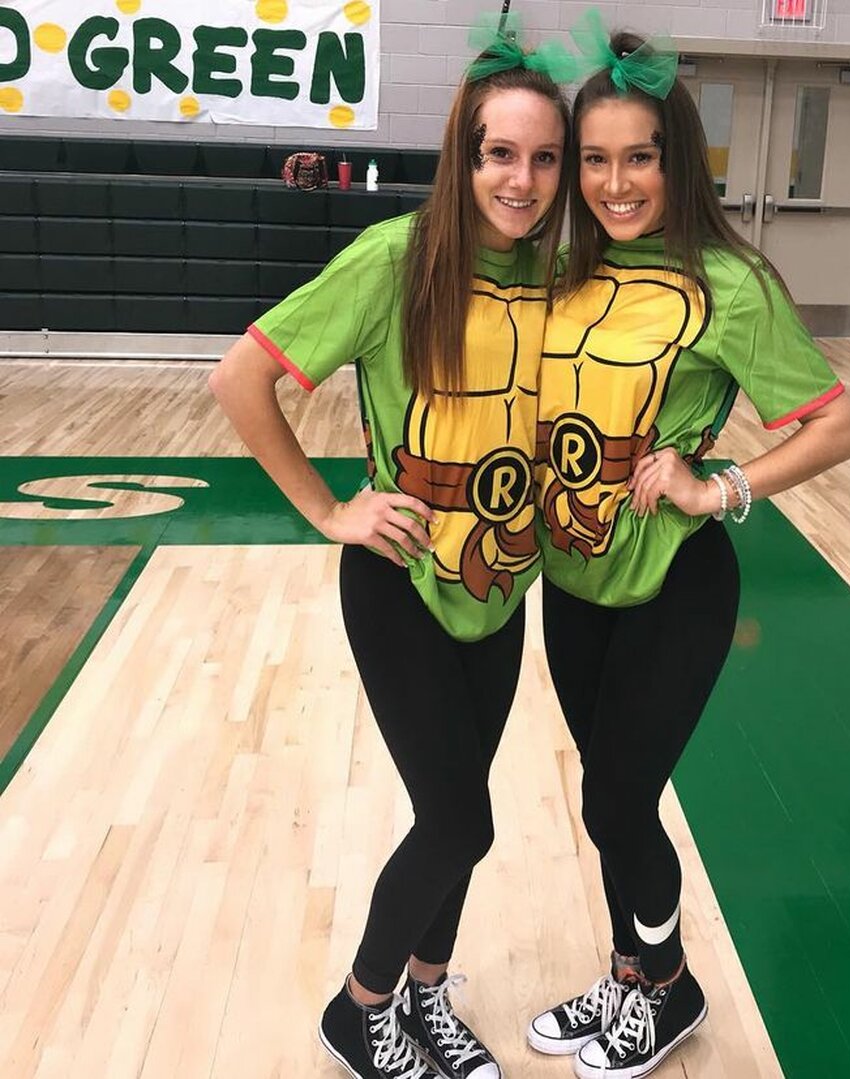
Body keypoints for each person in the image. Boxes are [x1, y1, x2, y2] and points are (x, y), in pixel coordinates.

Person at [209, 19, 573, 1079]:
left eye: (544, 157)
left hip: (499, 584)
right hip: (400, 579)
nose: (521, 179)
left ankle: (424, 989)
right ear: (464, 153)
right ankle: (360, 1008)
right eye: (499, 153)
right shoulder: (393, 258)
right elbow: (240, 378)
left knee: (452, 805)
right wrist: (330, 510)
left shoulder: (557, 276)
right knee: (461, 822)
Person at [527, 17, 850, 1079]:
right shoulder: (565, 271)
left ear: (678, 161)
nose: (615, 184)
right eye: (595, 160)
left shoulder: (730, 282)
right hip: (573, 577)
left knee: (616, 799)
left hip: (676, 578)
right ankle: (630, 975)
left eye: (639, 158)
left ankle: (669, 985)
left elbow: (840, 424)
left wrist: (718, 486)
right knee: (613, 798)